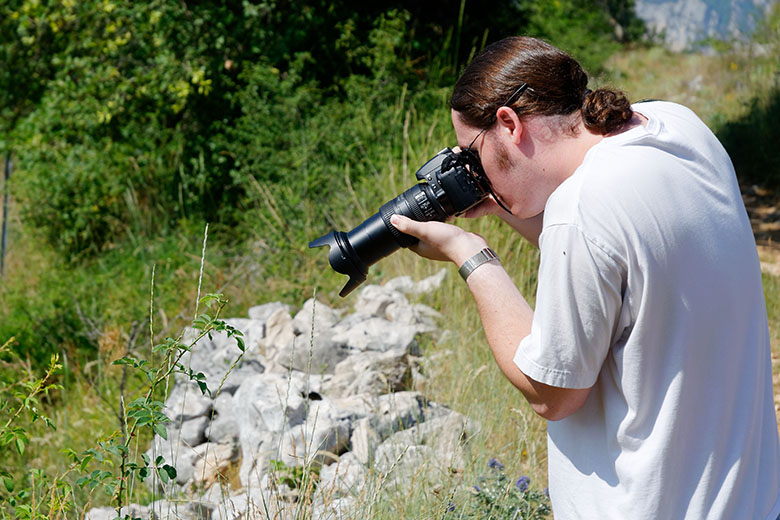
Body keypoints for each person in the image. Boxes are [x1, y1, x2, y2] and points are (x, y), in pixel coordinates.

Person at [390, 36, 780, 519]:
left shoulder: (581, 211)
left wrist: (471, 255)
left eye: (473, 154)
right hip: (748, 501)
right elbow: (611, 253)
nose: (475, 171)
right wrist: (503, 206)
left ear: (508, 124)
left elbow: (553, 393)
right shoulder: (676, 126)